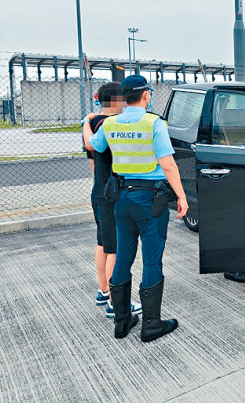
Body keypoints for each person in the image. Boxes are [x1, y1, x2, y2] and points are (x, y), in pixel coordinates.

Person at [83, 75, 188, 342]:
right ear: (145, 95)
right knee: (152, 259)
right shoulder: (154, 123)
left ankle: (121, 322)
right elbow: (167, 164)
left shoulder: (109, 124)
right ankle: (151, 324)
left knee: (124, 256)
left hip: (121, 200)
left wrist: (86, 123)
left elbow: (94, 147)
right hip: (150, 201)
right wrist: (181, 196)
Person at [83, 83, 142, 319]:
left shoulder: (93, 122)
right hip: (113, 193)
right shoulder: (113, 124)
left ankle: (103, 290)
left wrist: (85, 122)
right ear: (118, 100)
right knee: (116, 248)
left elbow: (92, 159)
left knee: (103, 244)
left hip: (99, 190)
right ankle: (115, 303)